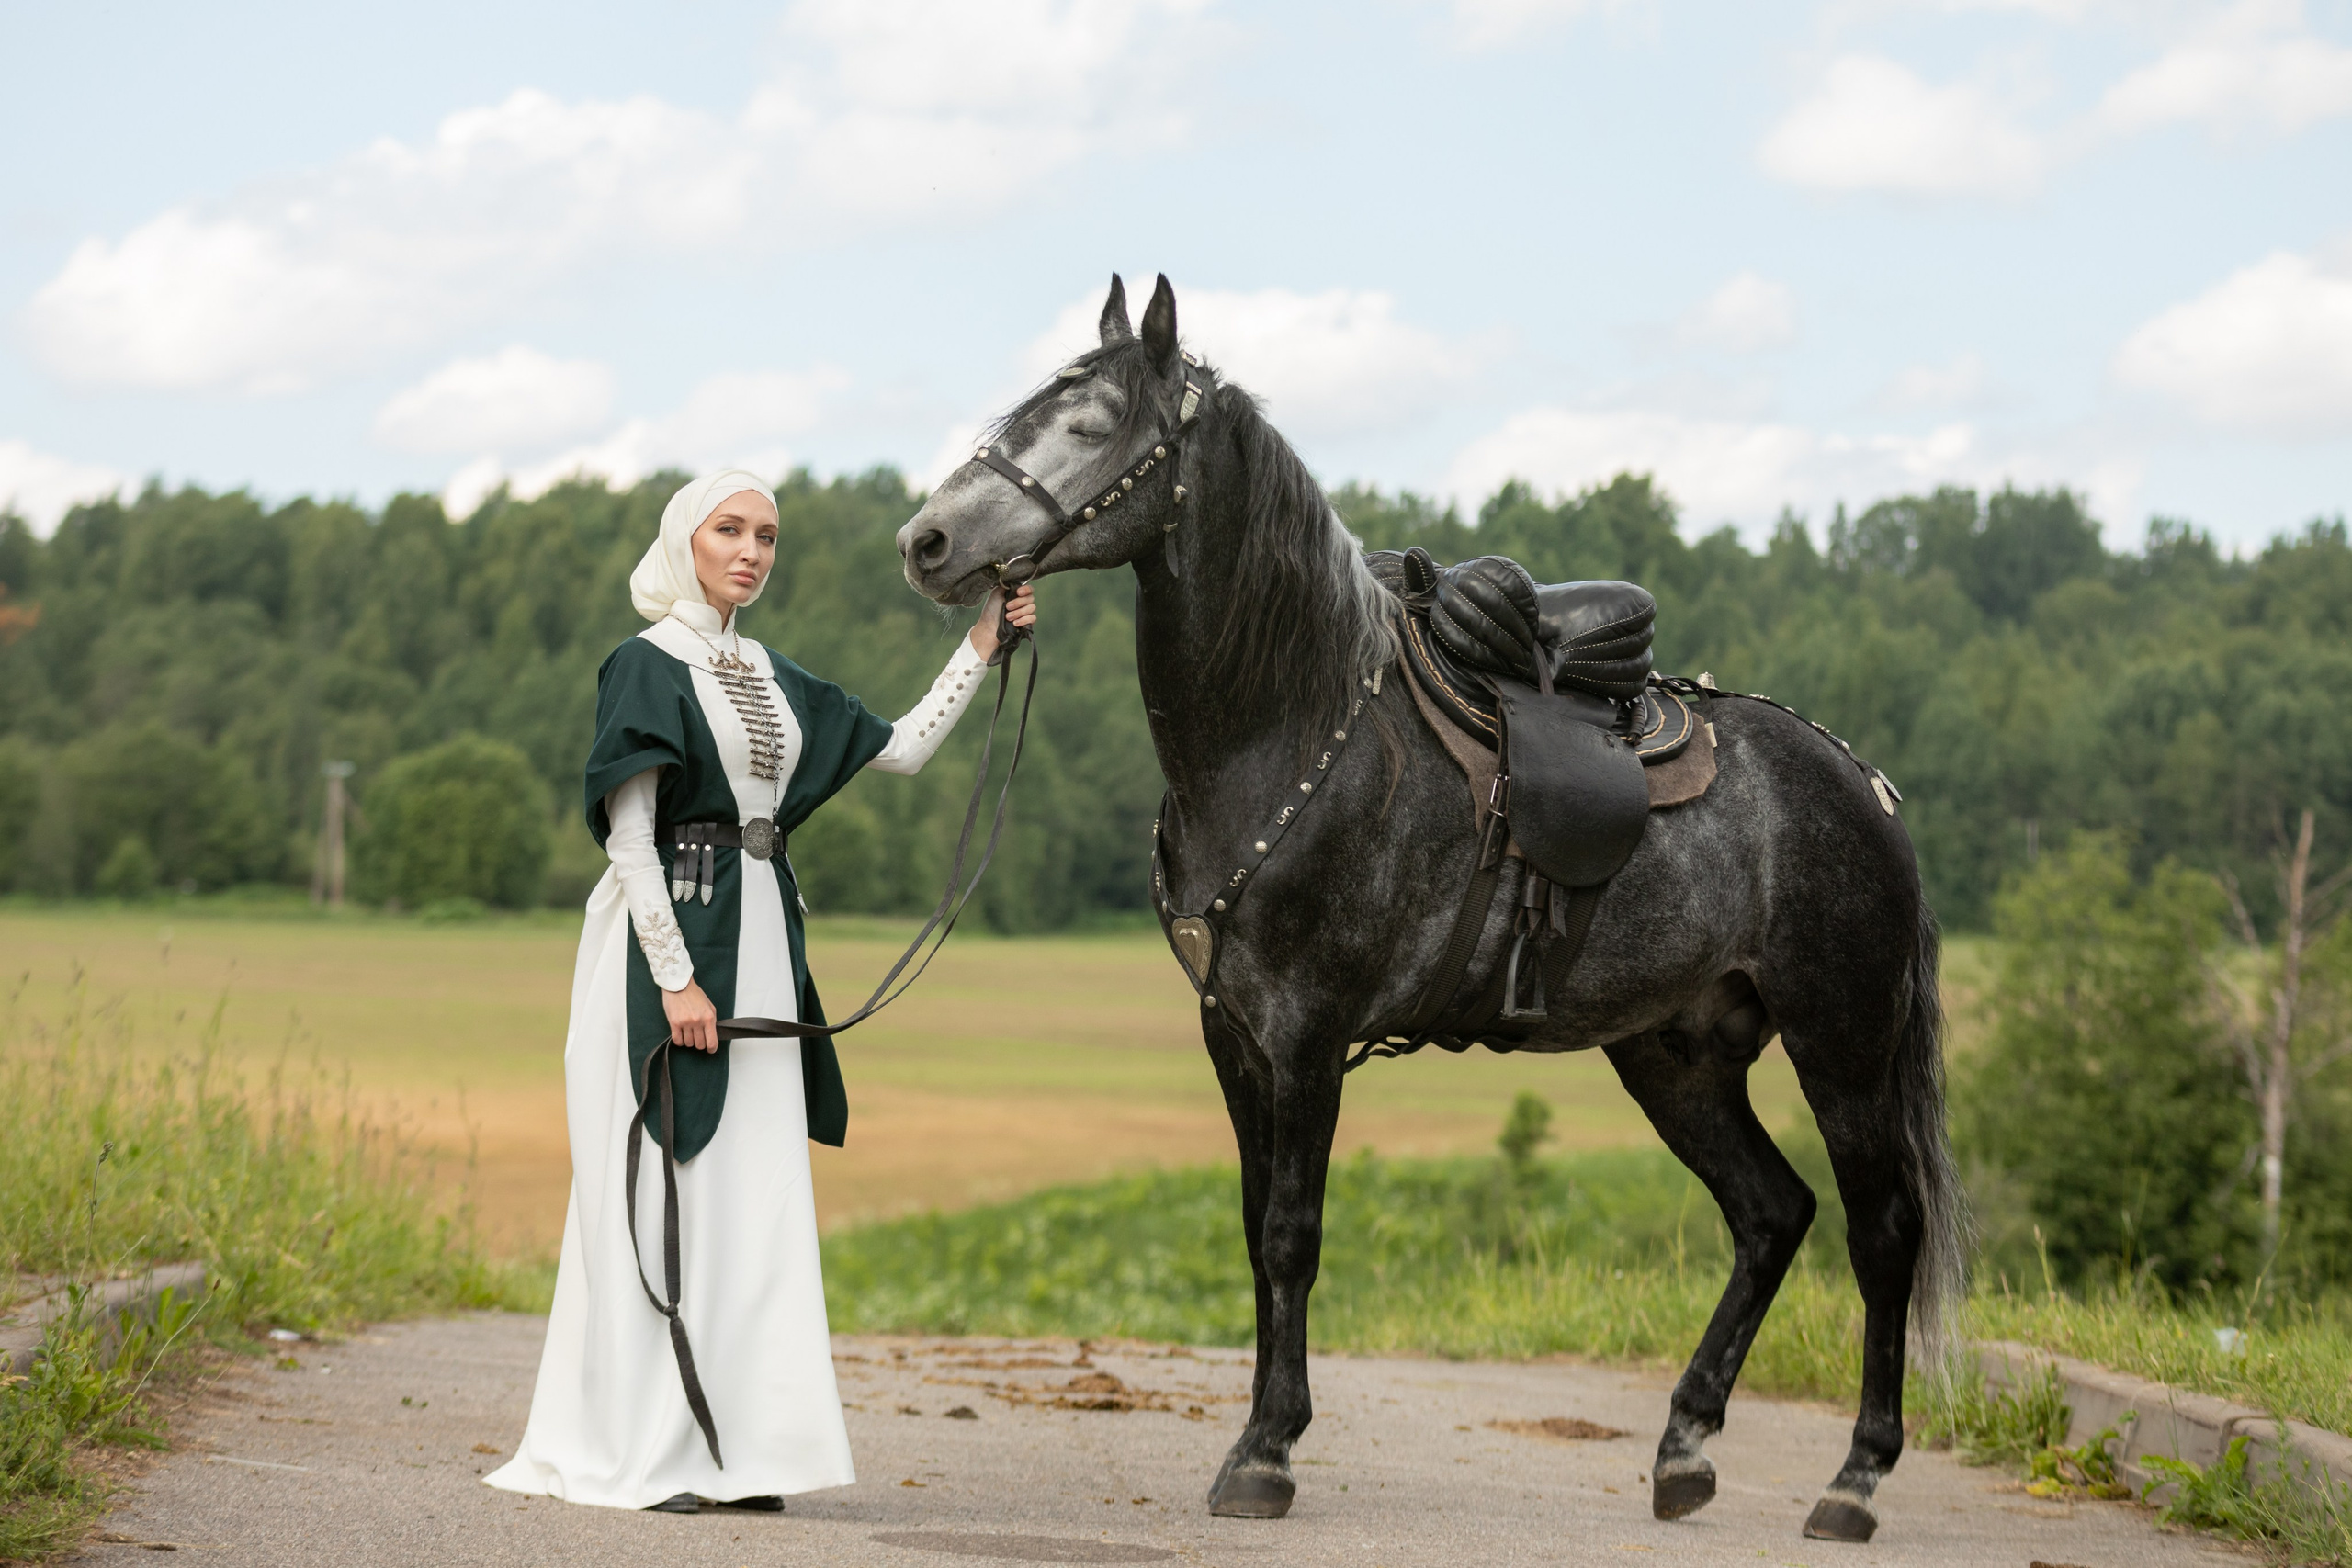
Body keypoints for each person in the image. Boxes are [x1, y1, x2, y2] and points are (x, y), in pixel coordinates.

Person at [485, 469, 1035, 1513]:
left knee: (756, 1197)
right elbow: (630, 834)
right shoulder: (643, 666)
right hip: (676, 943)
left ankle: (741, 1456)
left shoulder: (773, 675)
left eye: (767, 536)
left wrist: (980, 645)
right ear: (683, 540)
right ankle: (658, 1447)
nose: (750, 551)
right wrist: (677, 977)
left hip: (765, 939)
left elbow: (907, 749)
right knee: (671, 1184)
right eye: (728, 530)